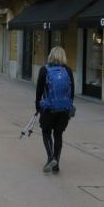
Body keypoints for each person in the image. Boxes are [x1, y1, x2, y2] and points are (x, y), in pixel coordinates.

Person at [35, 46, 74, 174]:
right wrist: (68, 108)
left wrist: (38, 106)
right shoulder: (68, 71)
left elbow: (39, 91)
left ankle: (51, 157)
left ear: (50, 55)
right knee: (58, 135)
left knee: (46, 132)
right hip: (63, 110)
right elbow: (71, 93)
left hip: (49, 109)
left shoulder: (44, 70)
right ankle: (56, 165)